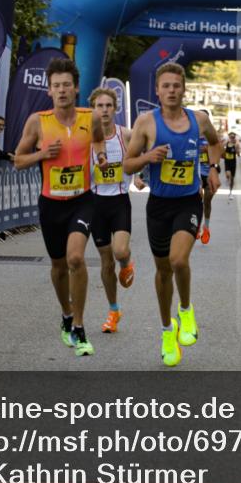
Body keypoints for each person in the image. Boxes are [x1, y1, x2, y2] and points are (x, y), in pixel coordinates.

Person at [122, 63, 222, 367]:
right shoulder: (146, 123)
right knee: (163, 271)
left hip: (188, 201)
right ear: (157, 90)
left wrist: (213, 169)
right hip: (159, 205)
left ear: (184, 89)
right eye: (165, 86)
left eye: (176, 86)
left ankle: (187, 310)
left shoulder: (199, 120)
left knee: (179, 260)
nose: (171, 91)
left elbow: (215, 143)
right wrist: (148, 158)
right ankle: (168, 330)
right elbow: (127, 165)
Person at [14, 58, 107, 357]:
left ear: (76, 88)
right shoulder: (37, 121)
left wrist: (101, 156)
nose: (62, 90)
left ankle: (79, 327)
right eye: (57, 86)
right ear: (49, 90)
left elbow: (99, 140)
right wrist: (42, 154)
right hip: (51, 204)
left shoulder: (89, 117)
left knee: (76, 258)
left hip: (82, 200)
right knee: (57, 267)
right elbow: (18, 160)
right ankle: (66, 314)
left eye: (67, 85)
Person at [89, 87, 145, 335]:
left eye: (108, 106)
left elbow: (144, 152)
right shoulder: (86, 138)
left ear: (115, 108)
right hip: (95, 203)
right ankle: (113, 310)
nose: (104, 110)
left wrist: (142, 176)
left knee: (120, 250)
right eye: (99, 106)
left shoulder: (127, 135)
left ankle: (126, 263)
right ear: (93, 109)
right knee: (104, 260)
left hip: (120, 200)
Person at [196, 111, 217, 245]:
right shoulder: (191, 134)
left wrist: (209, 151)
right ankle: (196, 227)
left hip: (208, 174)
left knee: (207, 202)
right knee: (197, 201)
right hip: (195, 174)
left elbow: (221, 155)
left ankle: (206, 228)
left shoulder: (212, 137)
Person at [224, 131, 240, 201]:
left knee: (232, 179)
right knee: (228, 174)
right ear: (229, 137)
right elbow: (222, 147)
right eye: (231, 137)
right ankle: (227, 179)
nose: (232, 139)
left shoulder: (236, 144)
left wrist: (237, 149)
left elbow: (238, 154)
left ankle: (230, 192)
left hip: (233, 163)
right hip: (227, 162)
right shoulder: (226, 143)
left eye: (233, 137)